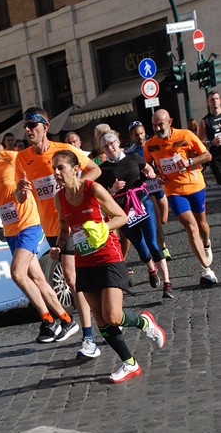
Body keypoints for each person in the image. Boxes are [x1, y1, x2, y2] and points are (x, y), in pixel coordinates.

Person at [50, 149, 166, 383]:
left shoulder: (93, 189)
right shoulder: (59, 197)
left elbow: (121, 216)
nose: (55, 173)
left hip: (108, 255)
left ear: (75, 169)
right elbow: (64, 227)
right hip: (84, 260)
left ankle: (144, 322)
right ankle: (129, 363)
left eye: (59, 167)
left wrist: (103, 228)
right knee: (101, 320)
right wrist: (58, 247)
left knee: (113, 316)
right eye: (53, 168)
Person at [0, 127, 76, 344]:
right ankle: (65, 320)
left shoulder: (13, 159)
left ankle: (48, 320)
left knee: (17, 273)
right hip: (10, 229)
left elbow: (36, 176)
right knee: (36, 277)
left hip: (30, 224)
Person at [15, 107, 102, 358]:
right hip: (51, 229)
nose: (28, 130)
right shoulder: (23, 158)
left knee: (73, 280)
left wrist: (78, 193)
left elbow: (93, 169)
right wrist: (21, 191)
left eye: (33, 125)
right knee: (79, 279)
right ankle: (101, 320)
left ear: (46, 126)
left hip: (74, 223)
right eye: (26, 126)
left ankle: (88, 336)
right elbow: (22, 197)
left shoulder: (62, 152)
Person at [144, 109, 216, 286]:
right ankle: (206, 269)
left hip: (195, 185)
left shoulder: (186, 135)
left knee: (202, 226)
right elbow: (147, 165)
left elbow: (207, 155)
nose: (157, 128)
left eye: (160, 124)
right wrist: (155, 175)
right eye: (154, 125)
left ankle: (206, 244)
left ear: (170, 122)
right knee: (190, 227)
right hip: (173, 190)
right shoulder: (150, 145)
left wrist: (189, 162)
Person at [99, 131, 174, 298]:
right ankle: (151, 269)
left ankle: (167, 283)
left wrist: (151, 173)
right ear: (102, 149)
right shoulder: (103, 170)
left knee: (153, 244)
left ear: (118, 142)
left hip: (142, 202)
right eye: (106, 146)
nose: (110, 148)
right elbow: (101, 195)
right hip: (123, 211)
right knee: (141, 247)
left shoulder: (132, 156)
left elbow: (147, 168)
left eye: (112, 143)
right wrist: (113, 190)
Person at [127, 120, 171, 261]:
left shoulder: (153, 144)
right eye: (135, 135)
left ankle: (157, 243)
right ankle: (162, 248)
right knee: (157, 219)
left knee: (164, 219)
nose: (139, 137)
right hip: (146, 188)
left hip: (158, 184)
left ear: (145, 132)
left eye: (141, 133)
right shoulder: (131, 152)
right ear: (131, 136)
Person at [198, 90, 221, 186]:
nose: (215, 101)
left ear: (220, 100)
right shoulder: (205, 121)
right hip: (216, 157)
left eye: (216, 98)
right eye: (212, 99)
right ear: (208, 102)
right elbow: (199, 142)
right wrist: (211, 142)